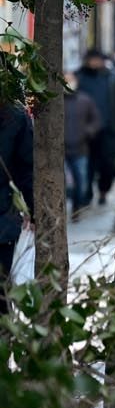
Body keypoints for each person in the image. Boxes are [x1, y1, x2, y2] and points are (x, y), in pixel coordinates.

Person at [77, 50, 115, 205]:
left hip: (109, 129)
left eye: (97, 60)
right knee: (87, 164)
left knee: (108, 164)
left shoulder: (112, 78)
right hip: (85, 131)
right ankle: (86, 194)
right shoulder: (80, 78)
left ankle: (103, 191)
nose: (94, 63)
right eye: (91, 60)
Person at [0, 104, 33, 316]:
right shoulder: (14, 115)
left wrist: (34, 209)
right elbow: (27, 170)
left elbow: (27, 170)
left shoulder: (14, 116)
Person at [63, 73, 102, 213]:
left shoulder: (85, 100)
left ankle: (77, 206)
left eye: (71, 80)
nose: (68, 83)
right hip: (61, 150)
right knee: (65, 183)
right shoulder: (57, 102)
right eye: (65, 80)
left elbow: (96, 120)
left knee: (82, 182)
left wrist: (87, 132)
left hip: (80, 149)